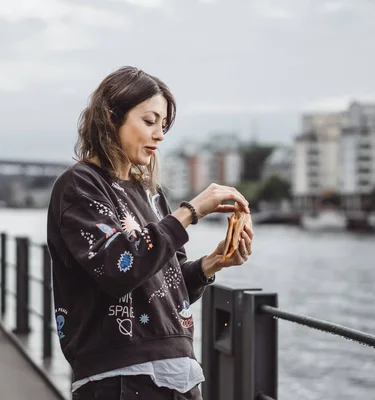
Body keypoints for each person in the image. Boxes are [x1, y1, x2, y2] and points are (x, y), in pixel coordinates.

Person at [46, 66, 254, 399]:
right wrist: (190, 212)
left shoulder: (150, 195)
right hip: (120, 376)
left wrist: (210, 265)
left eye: (163, 125)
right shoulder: (80, 185)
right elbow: (119, 269)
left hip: (179, 372)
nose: (159, 134)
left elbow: (166, 288)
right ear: (111, 117)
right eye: (149, 121)